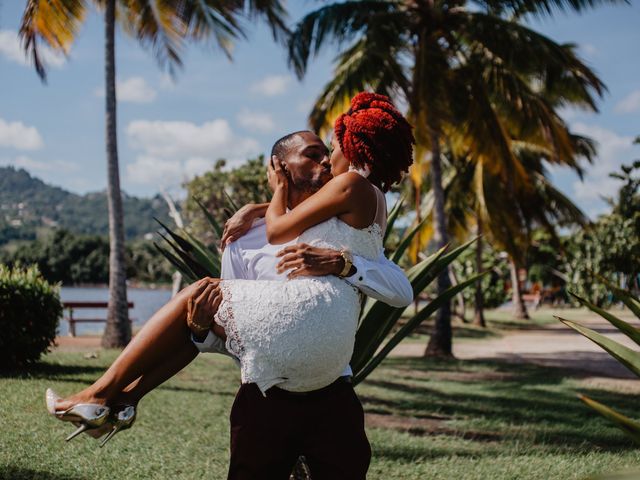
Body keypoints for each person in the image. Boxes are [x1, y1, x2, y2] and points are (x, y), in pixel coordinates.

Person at [46, 92, 414, 478]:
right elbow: (236, 326)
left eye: (332, 148)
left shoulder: (347, 189)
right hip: (280, 372)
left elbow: (282, 229)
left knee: (198, 290)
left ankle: (101, 393)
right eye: (313, 154)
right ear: (280, 165)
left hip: (323, 360)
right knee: (196, 316)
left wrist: (335, 257)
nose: (326, 159)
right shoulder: (359, 204)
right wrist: (203, 325)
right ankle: (123, 401)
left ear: (355, 146)